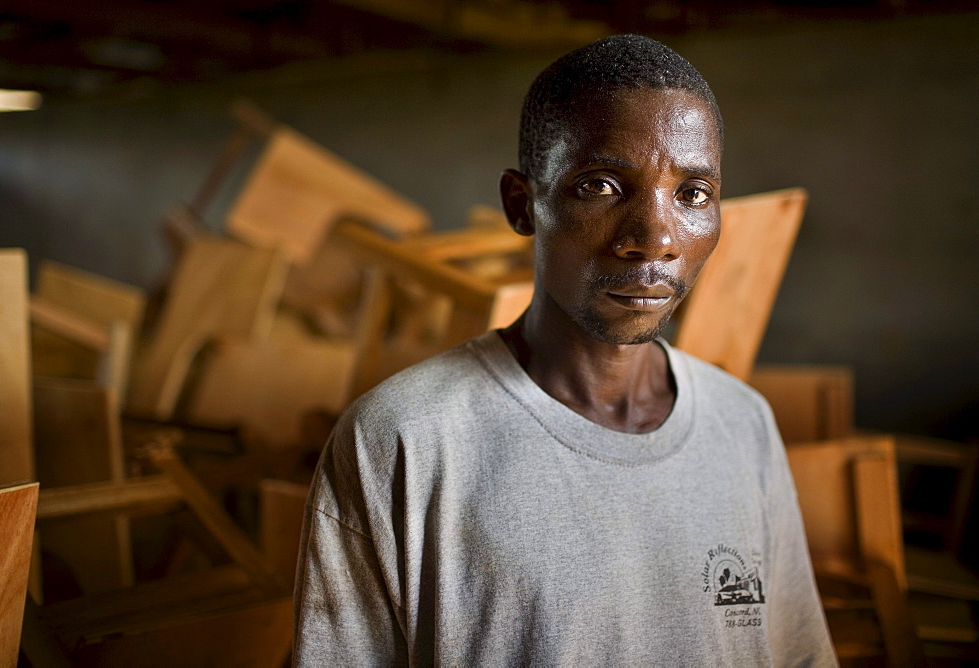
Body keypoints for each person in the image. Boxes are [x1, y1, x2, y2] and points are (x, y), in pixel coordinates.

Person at [293, 34, 836, 666]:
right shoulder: (401, 439)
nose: (653, 239)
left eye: (692, 194)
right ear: (522, 205)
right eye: (602, 186)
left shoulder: (743, 424)